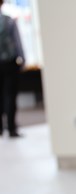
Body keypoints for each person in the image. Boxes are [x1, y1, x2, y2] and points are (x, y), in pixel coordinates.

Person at [0, 0, 25, 138]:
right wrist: (22, 58)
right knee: (10, 95)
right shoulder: (8, 21)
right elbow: (17, 41)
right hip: (9, 62)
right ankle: (11, 128)